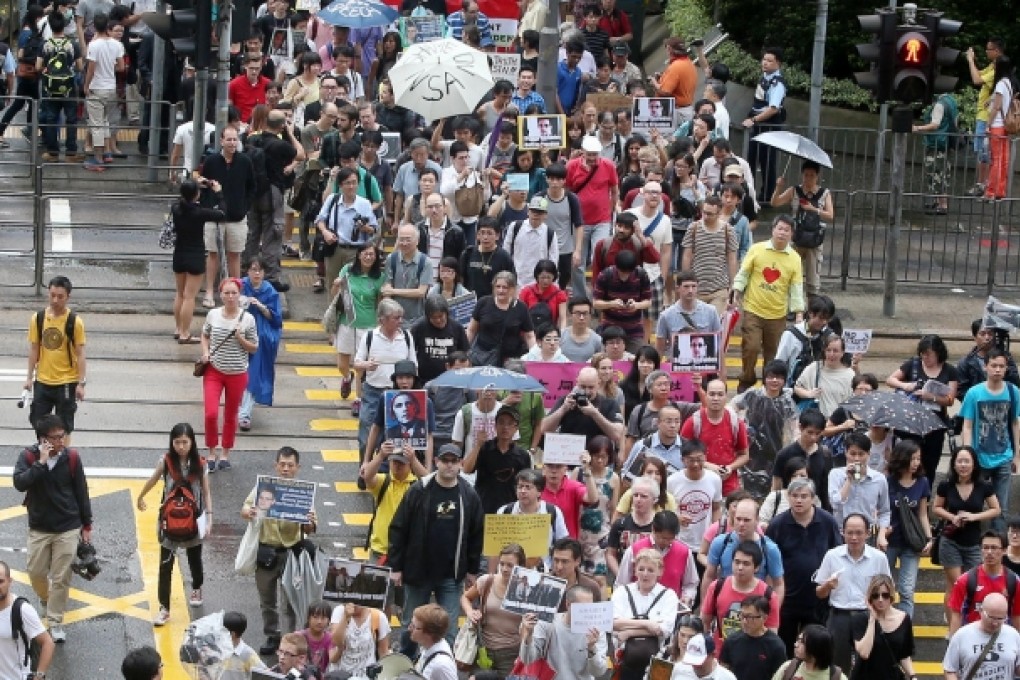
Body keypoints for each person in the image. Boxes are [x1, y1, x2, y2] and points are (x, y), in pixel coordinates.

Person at [389, 443, 484, 654]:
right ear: (436, 462)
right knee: (411, 624)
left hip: (451, 574)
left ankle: (444, 667)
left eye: (454, 461)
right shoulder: (419, 490)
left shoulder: (468, 495)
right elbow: (398, 528)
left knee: (448, 627)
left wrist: (472, 570)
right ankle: (407, 665)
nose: (449, 465)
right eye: (445, 461)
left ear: (460, 464)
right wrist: (396, 567)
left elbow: (476, 533)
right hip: (418, 571)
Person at [13, 412, 93, 645]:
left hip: (68, 526)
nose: (61, 441)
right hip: (39, 526)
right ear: (42, 439)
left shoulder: (72, 458)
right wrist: (41, 463)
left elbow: (82, 492)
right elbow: (19, 483)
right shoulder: (28, 457)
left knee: (61, 577)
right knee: (36, 573)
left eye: (62, 436)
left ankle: (55, 621)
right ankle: (46, 599)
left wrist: (86, 524)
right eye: (55, 438)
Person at [240, 447, 319, 656]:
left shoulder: (302, 493)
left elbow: (310, 528)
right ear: (276, 466)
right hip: (266, 553)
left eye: (290, 465)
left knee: (290, 602)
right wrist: (251, 512)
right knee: (267, 600)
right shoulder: (263, 487)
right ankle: (272, 635)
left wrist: (309, 522)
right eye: (282, 465)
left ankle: (289, 638)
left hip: (291, 554)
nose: (286, 469)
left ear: (297, 468)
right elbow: (245, 510)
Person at [135, 422, 212, 626]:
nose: (181, 446)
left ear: (192, 442)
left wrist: (209, 518)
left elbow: (206, 492)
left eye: (185, 442)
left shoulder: (201, 464)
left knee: (195, 560)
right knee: (165, 565)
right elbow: (153, 480)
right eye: (177, 442)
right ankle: (164, 608)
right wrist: (141, 495)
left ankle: (196, 586)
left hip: (194, 520)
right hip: (168, 522)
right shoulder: (166, 461)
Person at [765, 478, 842, 656]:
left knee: (815, 648)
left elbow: (837, 554)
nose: (799, 500)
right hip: (787, 598)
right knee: (786, 648)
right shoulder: (777, 524)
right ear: (788, 497)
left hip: (818, 598)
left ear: (813, 498)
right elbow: (768, 562)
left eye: (804, 496)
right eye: (794, 496)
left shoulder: (827, 522)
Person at [732, 215, 804, 391]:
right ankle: (746, 380)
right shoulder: (757, 249)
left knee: (773, 355)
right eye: (779, 228)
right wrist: (736, 291)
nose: (782, 233)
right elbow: (744, 273)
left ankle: (768, 385)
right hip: (753, 309)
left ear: (791, 234)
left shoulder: (795, 258)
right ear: (773, 229)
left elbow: (796, 287)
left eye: (786, 230)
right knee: (751, 347)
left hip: (778, 314)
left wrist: (799, 312)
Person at [814, 513, 892, 674]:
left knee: (869, 665)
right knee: (836, 666)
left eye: (859, 533)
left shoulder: (879, 558)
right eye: (849, 533)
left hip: (867, 616)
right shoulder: (832, 556)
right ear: (842, 532)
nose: (854, 537)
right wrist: (828, 585)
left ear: (868, 533)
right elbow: (819, 593)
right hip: (838, 616)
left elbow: (889, 591)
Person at [933, 445, 1001, 623]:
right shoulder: (945, 485)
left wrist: (974, 516)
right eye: (959, 461)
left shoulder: (983, 485)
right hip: (950, 541)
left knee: (973, 585)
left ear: (973, 464)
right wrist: (952, 517)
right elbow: (936, 507)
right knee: (956, 585)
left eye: (967, 461)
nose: (963, 465)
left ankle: (970, 622)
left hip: (973, 543)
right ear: (954, 464)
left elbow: (996, 509)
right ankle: (952, 629)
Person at [201, 277, 258, 470]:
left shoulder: (248, 319)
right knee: (210, 413)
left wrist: (240, 337)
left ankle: (225, 453)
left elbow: (254, 348)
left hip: (237, 373)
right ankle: (211, 451)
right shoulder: (213, 315)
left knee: (231, 415)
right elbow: (205, 334)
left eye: (234, 293)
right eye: (227, 293)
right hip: (214, 371)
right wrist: (206, 353)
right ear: (221, 295)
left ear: (239, 295)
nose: (231, 297)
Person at [960, 348, 1020, 533]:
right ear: (986, 366)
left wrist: (1017, 455)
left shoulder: (1013, 391)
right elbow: (967, 425)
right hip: (979, 456)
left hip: (1004, 455)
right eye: (994, 365)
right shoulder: (974, 393)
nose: (997, 370)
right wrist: (967, 453)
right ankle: (971, 542)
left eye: (1001, 366)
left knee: (1001, 507)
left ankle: (998, 544)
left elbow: (1015, 423)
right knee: (974, 502)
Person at [885, 334, 959, 484]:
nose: (925, 358)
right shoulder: (913, 365)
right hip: (910, 422)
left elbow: (950, 400)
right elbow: (890, 379)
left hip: (934, 424)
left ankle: (925, 497)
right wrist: (906, 386)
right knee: (907, 460)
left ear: (938, 353)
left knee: (930, 463)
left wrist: (931, 396)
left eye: (929, 355)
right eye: (923, 354)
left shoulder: (949, 370)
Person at [353, 299, 417, 463]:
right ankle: (364, 466)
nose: (400, 321)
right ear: (383, 319)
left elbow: (414, 365)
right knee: (366, 434)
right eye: (396, 318)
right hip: (373, 392)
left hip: (397, 394)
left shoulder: (406, 337)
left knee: (393, 439)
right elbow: (357, 362)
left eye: (400, 317)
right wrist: (367, 365)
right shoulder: (369, 336)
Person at [24, 276, 87, 439]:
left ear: (68, 297)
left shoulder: (75, 322)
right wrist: (29, 378)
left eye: (60, 296)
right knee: (38, 422)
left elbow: (80, 354)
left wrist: (81, 383)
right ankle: (44, 457)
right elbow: (34, 349)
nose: (55, 300)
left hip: (66, 382)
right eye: (52, 295)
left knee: (64, 425)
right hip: (43, 380)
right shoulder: (37, 319)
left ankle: (62, 459)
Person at [701, 542, 781, 656]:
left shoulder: (768, 595)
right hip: (720, 654)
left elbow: (772, 635)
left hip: (752, 657)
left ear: (757, 567)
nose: (740, 567)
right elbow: (704, 622)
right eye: (737, 562)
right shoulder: (717, 587)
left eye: (746, 564)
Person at [612, 548, 680, 680]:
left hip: (656, 661)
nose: (645, 574)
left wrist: (629, 632)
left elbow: (664, 629)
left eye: (650, 570)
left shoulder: (669, 595)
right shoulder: (622, 592)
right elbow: (613, 623)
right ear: (635, 569)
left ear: (660, 571)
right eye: (641, 569)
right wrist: (647, 623)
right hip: (623, 659)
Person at [332, 243, 385, 413]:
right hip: (346, 322)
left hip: (368, 324)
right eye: (365, 253)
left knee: (360, 364)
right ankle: (347, 378)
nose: (368, 257)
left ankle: (358, 398)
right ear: (359, 255)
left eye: (372, 254)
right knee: (342, 363)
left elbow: (380, 302)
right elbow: (334, 294)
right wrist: (336, 284)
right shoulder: (347, 270)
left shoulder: (379, 277)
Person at [882, 440, 932, 619]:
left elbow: (923, 514)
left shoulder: (922, 482)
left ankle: (904, 634)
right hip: (889, 541)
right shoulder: (887, 482)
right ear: (902, 459)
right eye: (912, 459)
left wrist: (929, 538)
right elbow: (879, 510)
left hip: (912, 542)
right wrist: (881, 531)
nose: (916, 463)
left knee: (907, 590)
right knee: (882, 586)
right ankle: (883, 626)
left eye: (918, 459)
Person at [459, 543, 525, 675]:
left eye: (510, 565)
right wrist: (470, 612)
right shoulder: (487, 581)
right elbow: (465, 597)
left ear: (520, 567)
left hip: (511, 653)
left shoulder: (527, 589)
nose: (505, 569)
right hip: (484, 649)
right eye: (502, 564)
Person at [770, 161, 834, 296]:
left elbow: (830, 215)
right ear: (802, 175)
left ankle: (812, 309)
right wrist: (778, 188)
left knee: (813, 277)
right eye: (806, 175)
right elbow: (775, 203)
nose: (808, 179)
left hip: (814, 240)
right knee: (791, 273)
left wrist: (814, 209)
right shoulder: (795, 190)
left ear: (817, 176)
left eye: (812, 175)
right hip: (795, 238)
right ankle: (792, 308)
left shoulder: (824, 193)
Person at [519, 585, 608, 680]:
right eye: (582, 608)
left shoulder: (596, 629)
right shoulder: (548, 623)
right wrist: (528, 634)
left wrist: (591, 648)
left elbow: (599, 671)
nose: (586, 612)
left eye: (589, 607)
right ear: (568, 604)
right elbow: (527, 659)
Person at [237, 259, 282, 432]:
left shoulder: (269, 291)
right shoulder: (240, 285)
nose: (256, 274)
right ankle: (239, 407)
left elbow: (276, 319)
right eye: (253, 270)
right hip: (240, 332)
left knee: (253, 375)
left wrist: (261, 306)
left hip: (261, 336)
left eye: (260, 270)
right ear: (248, 271)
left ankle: (244, 414)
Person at [946, 529, 1020, 635]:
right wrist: (953, 644)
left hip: (1002, 639)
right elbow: (956, 615)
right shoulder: (965, 580)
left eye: (994, 548)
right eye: (985, 547)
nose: (989, 552)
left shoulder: (1014, 581)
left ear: (1004, 551)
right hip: (972, 638)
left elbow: (1016, 616)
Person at [851, 574, 917, 680]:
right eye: (875, 595)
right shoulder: (860, 619)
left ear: (891, 596)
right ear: (870, 598)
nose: (880, 599)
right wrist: (872, 619)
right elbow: (864, 653)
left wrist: (912, 676)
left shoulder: (904, 619)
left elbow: (904, 655)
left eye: (885, 595)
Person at [742, 47, 786, 204]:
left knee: (767, 161)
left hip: (768, 126)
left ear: (778, 63)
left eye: (770, 61)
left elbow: (773, 109)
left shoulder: (777, 84)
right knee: (752, 159)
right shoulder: (765, 77)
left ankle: (767, 196)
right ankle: (750, 194)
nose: (765, 63)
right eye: (764, 60)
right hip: (759, 124)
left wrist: (754, 120)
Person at [37, 11, 83, 163]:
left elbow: (38, 66)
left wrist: (46, 69)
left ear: (50, 25)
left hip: (50, 87)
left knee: (51, 118)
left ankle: (53, 152)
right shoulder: (72, 44)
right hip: (69, 87)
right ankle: (71, 152)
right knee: (71, 119)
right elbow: (80, 66)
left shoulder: (45, 44)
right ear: (64, 25)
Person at [944, 591, 1020, 679]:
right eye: (991, 617)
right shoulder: (962, 635)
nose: (995, 623)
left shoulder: (1013, 635)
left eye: (1000, 619)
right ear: (980, 611)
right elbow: (950, 670)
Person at [82, 13, 124, 171]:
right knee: (105, 120)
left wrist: (86, 86)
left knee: (96, 124)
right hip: (111, 87)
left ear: (94, 27)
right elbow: (121, 67)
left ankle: (98, 159)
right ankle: (107, 153)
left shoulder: (93, 45)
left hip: (97, 87)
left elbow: (91, 69)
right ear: (107, 27)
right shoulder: (117, 45)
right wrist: (109, 67)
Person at [466, 271, 536, 366]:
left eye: (505, 287)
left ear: (512, 289)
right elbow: (471, 330)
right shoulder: (483, 302)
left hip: (510, 359)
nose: (500, 290)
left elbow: (529, 336)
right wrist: (464, 350)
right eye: (498, 286)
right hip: (482, 357)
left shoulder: (521, 307)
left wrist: (535, 356)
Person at [964, 39, 1004, 198]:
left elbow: (976, 80)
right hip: (982, 114)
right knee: (982, 152)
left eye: (989, 50)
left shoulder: (998, 69)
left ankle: (983, 185)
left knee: (983, 153)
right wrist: (973, 63)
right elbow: (979, 74)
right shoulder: (993, 66)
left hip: (986, 116)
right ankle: (985, 185)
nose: (986, 52)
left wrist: (970, 60)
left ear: (997, 51)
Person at [411, 293, 470, 383]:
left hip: (451, 380)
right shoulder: (419, 327)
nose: (438, 320)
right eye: (434, 318)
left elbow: (465, 353)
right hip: (424, 380)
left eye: (441, 316)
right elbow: (411, 352)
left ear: (446, 313)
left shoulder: (457, 327)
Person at [793, 334, 856, 418]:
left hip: (838, 423)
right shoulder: (814, 367)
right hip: (814, 422)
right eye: (828, 350)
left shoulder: (850, 374)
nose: (831, 354)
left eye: (835, 351)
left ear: (842, 353)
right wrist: (809, 394)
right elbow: (797, 388)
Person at [957, 319, 1020, 400]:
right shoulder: (966, 362)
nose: (987, 337)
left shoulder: (1006, 357)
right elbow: (961, 390)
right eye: (982, 334)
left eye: (990, 334)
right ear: (975, 337)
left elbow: (1015, 383)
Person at [328, 601, 390, 677]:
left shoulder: (378, 616)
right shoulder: (339, 611)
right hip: (340, 674)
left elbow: (383, 652)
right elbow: (336, 641)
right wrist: (346, 617)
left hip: (366, 675)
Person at [770, 624, 845, 680]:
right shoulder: (788, 668)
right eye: (798, 640)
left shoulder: (836, 676)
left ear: (815, 648)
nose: (796, 644)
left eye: (801, 642)